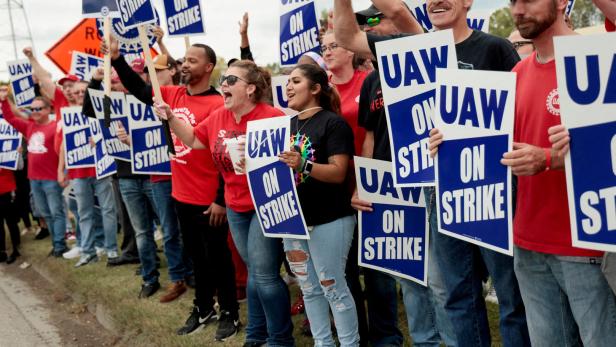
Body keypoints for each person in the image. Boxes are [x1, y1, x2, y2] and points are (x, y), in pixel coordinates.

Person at [338, 0, 531, 346]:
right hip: (438, 189)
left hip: (492, 187)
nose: (437, 1)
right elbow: (347, 34)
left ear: (468, 1)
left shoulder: (494, 48)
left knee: (510, 292)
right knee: (459, 293)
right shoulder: (409, 49)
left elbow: (522, 110)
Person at [493, 1, 616, 345]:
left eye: (529, 0)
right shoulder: (517, 74)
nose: (518, 9)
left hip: (586, 245)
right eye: (513, 1)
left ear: (562, 2)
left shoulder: (599, 58)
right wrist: (450, 142)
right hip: (528, 242)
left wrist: (548, 158)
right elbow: (499, 147)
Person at [335, 2, 455, 347]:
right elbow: (371, 137)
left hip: (430, 181)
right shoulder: (373, 81)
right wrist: (364, 184)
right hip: (390, 186)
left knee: (441, 279)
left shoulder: (429, 54)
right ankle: (425, 341)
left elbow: (401, 15)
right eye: (365, 22)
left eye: (377, 18)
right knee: (409, 274)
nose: (369, 26)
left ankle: (451, 339)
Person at [104, 38, 239, 339]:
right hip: (182, 194)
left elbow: (224, 156)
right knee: (197, 258)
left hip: (210, 199)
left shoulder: (219, 104)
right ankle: (203, 308)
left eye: (192, 60)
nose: (184, 64)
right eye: (184, 60)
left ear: (208, 67)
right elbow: (139, 90)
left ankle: (230, 311)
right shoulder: (172, 94)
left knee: (218, 258)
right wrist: (116, 59)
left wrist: (220, 199)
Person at [155, 60, 293, 347]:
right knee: (256, 271)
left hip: (265, 203)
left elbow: (290, 162)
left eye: (232, 80)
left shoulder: (272, 116)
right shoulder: (219, 115)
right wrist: (170, 116)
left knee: (265, 275)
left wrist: (257, 156)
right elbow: (193, 139)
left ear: (251, 89)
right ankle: (256, 335)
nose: (224, 84)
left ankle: (280, 338)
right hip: (235, 205)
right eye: (225, 80)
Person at [279, 63, 359, 346]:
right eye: (288, 81)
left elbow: (338, 173)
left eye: (296, 81)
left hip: (330, 219)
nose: (288, 86)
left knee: (333, 287)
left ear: (315, 89)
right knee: (309, 288)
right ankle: (323, 343)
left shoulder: (333, 123)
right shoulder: (284, 126)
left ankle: (350, 344)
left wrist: (303, 164)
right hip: (294, 221)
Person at [0, 91, 68, 257]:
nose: (35, 111)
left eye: (39, 108)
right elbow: (10, 119)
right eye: (33, 109)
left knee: (56, 212)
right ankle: (56, 244)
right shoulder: (29, 126)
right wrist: (4, 101)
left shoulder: (55, 127)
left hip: (51, 179)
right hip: (34, 179)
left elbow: (63, 151)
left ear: (48, 110)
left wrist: (63, 172)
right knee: (45, 213)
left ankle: (60, 245)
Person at [0, 168, 20, 264]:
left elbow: (17, 166)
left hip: (7, 189)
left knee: (11, 222)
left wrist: (13, 190)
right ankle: (2, 251)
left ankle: (15, 249)